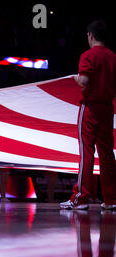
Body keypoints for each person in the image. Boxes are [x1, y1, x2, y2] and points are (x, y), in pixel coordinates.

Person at [61, 20, 116, 210]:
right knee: (107, 154)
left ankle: (81, 197)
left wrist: (75, 79)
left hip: (91, 108)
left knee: (86, 152)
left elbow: (84, 81)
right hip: (108, 109)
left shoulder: (88, 55)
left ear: (91, 36)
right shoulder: (113, 57)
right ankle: (111, 199)